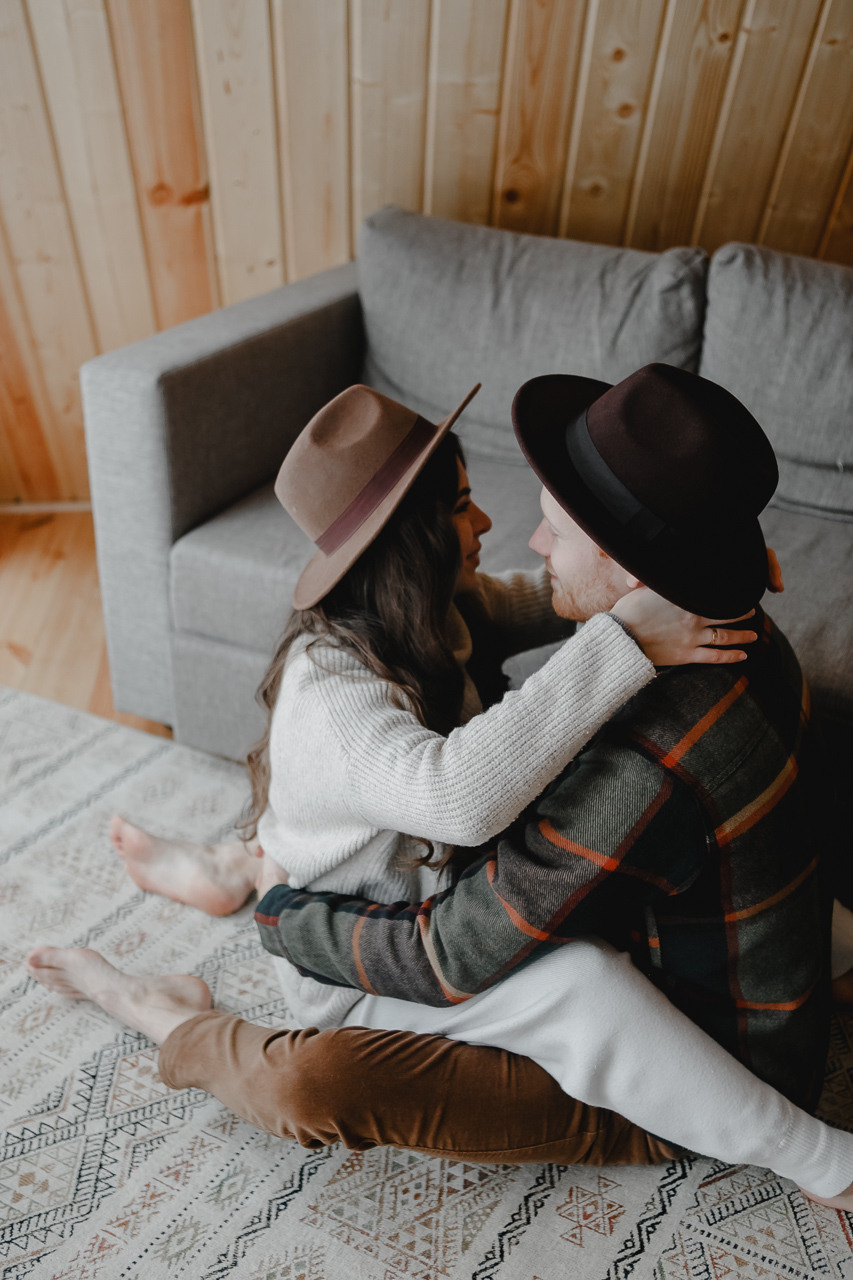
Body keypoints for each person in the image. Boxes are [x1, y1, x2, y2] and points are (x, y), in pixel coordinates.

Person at [25, 370, 853, 1208]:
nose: (495, 523)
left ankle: (237, 862)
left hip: (420, 892)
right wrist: (629, 626)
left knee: (557, 949)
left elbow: (534, 601)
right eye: (464, 504)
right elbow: (457, 803)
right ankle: (164, 993)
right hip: (359, 953)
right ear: (416, 543)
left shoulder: (435, 614)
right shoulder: (335, 695)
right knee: (566, 991)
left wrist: (698, 564)